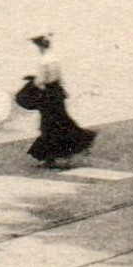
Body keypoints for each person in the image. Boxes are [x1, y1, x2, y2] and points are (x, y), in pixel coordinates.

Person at [25, 33, 95, 167]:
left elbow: (41, 81)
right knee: (62, 120)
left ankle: (50, 158)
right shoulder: (55, 59)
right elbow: (60, 78)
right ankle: (82, 140)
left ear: (39, 46)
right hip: (57, 92)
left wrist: (33, 82)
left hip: (48, 94)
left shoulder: (42, 61)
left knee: (48, 124)